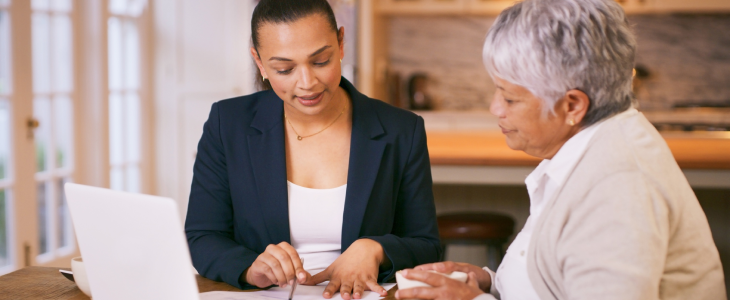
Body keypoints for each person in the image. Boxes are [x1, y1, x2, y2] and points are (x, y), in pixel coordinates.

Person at [395, 0, 727, 299]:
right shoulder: (591, 149)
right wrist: (487, 283)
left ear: (572, 106)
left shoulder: (618, 188)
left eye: (510, 98)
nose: (495, 108)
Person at [184, 0, 441, 299]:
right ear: (259, 62)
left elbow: (426, 245)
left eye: (321, 61)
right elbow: (202, 236)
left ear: (341, 43)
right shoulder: (227, 123)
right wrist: (249, 268)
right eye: (285, 68)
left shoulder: (401, 130)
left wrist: (376, 249)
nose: (307, 83)